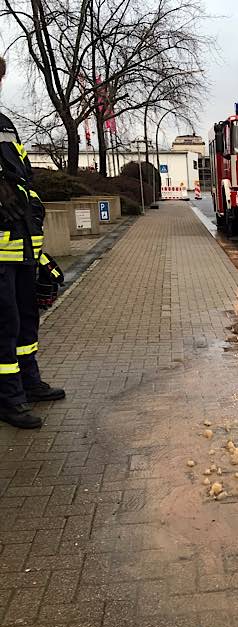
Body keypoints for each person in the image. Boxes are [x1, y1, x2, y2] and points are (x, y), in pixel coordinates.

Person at [0, 55, 65, 429]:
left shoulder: (5, 124)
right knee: (5, 324)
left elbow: (22, 175)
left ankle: (29, 382)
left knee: (27, 318)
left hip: (21, 243)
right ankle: (9, 399)